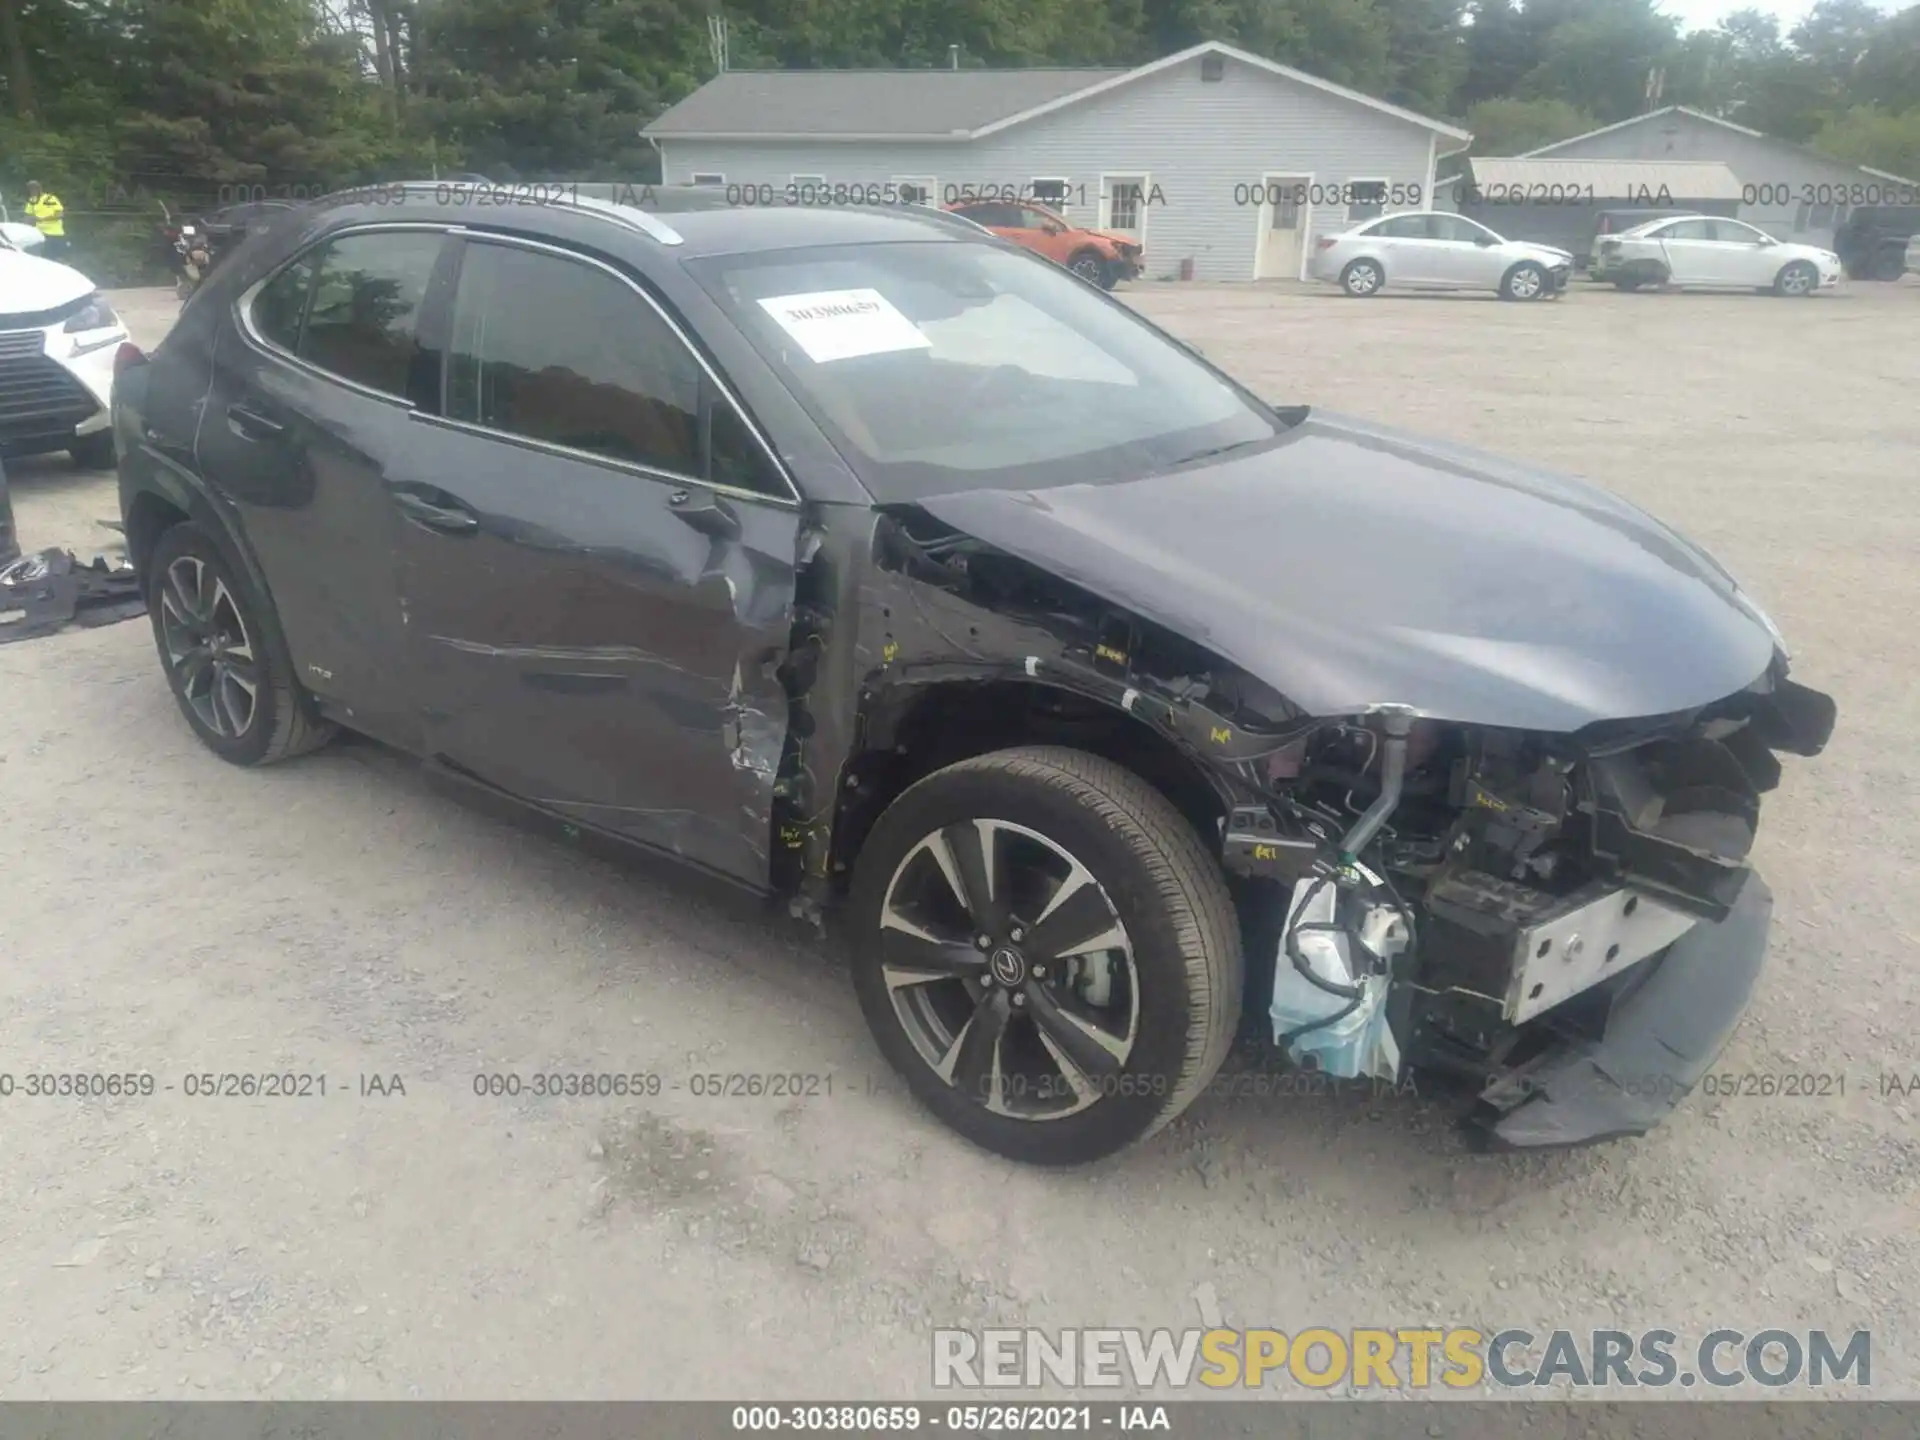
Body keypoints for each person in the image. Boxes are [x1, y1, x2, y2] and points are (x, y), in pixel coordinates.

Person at [25, 181, 66, 258]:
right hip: (40, 234)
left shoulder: (50, 198)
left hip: (55, 234)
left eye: (34, 189)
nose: (32, 191)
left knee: (53, 258)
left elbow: (60, 214)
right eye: (30, 189)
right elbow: (28, 216)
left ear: (39, 189)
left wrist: (43, 219)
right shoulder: (32, 200)